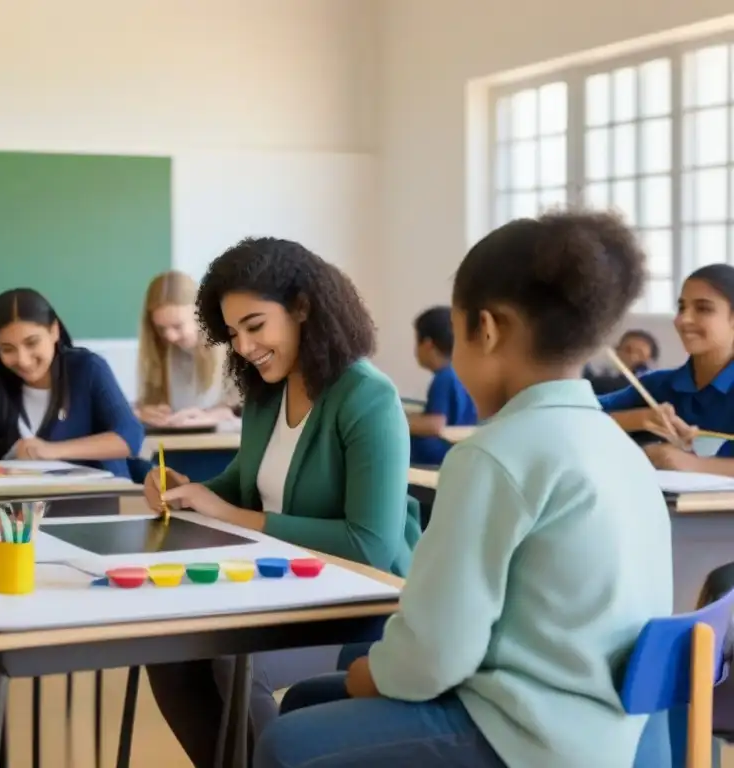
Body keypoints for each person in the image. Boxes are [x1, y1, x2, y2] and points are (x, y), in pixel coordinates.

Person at [254, 211, 673, 768]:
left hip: (528, 735)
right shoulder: (617, 446)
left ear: (487, 329)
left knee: (287, 743)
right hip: (613, 726)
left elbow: (434, 656)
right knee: (312, 696)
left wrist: (372, 673)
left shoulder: (495, 454)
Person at [141, 237, 422, 766]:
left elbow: (370, 546)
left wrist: (231, 514)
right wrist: (182, 490)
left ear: (302, 309)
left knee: (233, 660)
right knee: (169, 653)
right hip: (284, 590)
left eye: (255, 326)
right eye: (232, 333)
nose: (243, 347)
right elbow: (242, 482)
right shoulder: (266, 392)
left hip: (364, 608)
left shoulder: (367, 396)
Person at [0, 288, 144, 478]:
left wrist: (50, 451)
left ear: (54, 331)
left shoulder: (88, 369)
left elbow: (130, 437)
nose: (23, 360)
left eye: (32, 343)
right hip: (11, 516)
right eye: (7, 349)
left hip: (90, 510)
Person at [599, 265, 734, 474]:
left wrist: (694, 464)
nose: (683, 320)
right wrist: (639, 419)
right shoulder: (657, 385)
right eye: (681, 308)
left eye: (703, 308)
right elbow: (577, 415)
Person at [135, 270, 239, 427]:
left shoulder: (234, 345)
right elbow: (144, 405)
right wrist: (142, 413)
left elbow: (250, 415)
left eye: (177, 326)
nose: (170, 337)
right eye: (161, 329)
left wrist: (215, 416)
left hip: (222, 444)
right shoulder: (158, 350)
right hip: (174, 444)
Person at [407, 305, 477, 466]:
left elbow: (435, 425)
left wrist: (395, 421)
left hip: (436, 459)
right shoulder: (462, 374)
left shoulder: (444, 379)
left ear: (428, 344)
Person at [583, 329, 659, 395]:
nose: (632, 357)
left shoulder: (649, 383)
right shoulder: (606, 376)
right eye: (627, 350)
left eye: (640, 354)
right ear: (616, 350)